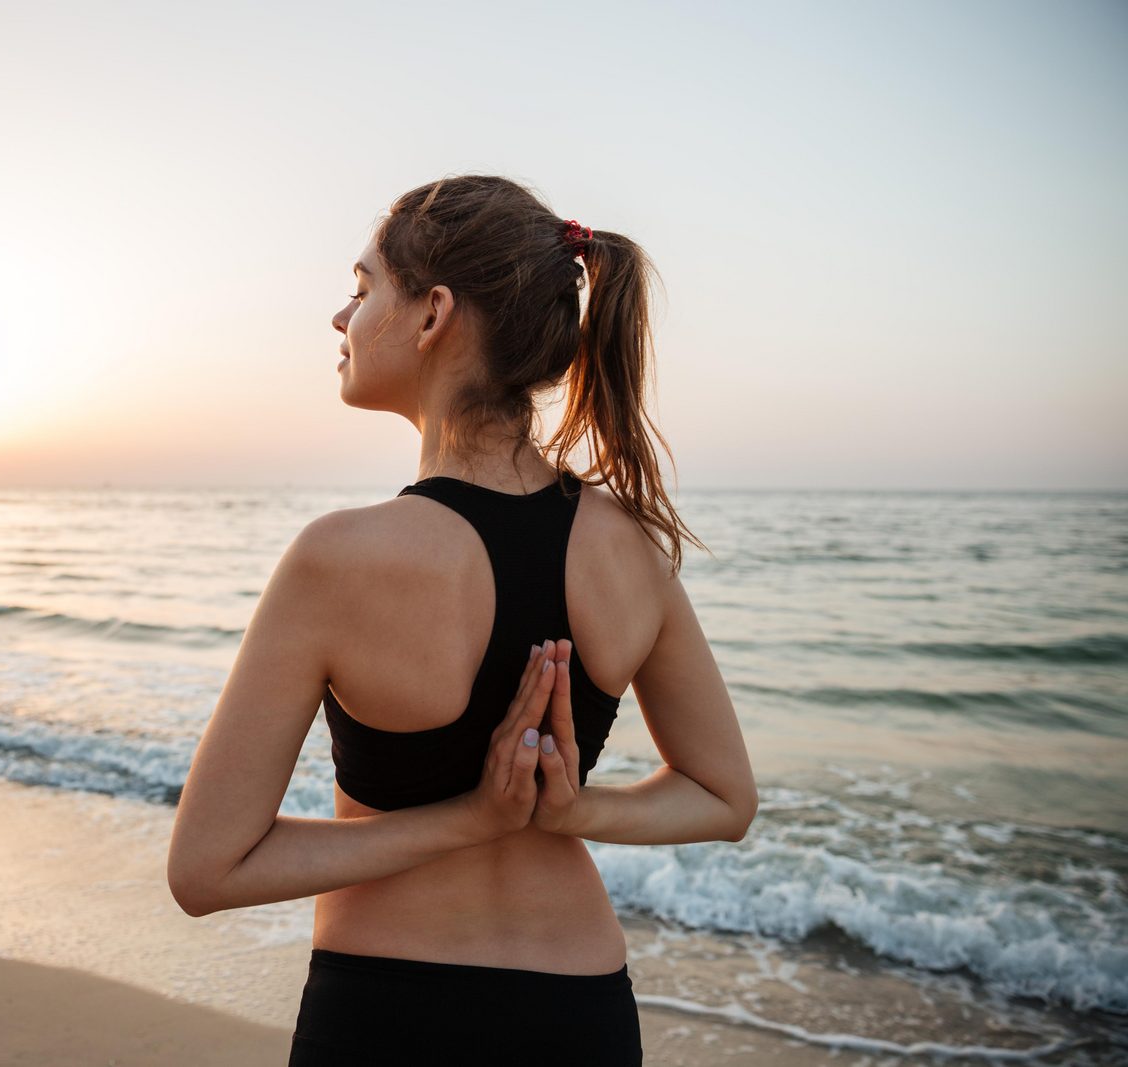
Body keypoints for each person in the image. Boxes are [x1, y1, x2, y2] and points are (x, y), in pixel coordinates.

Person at [166, 174, 758, 1065]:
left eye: (363, 290)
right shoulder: (630, 546)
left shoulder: (338, 558)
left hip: (388, 1009)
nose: (341, 319)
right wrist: (567, 812)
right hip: (582, 1012)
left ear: (433, 312)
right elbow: (724, 796)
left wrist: (469, 817)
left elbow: (207, 869)